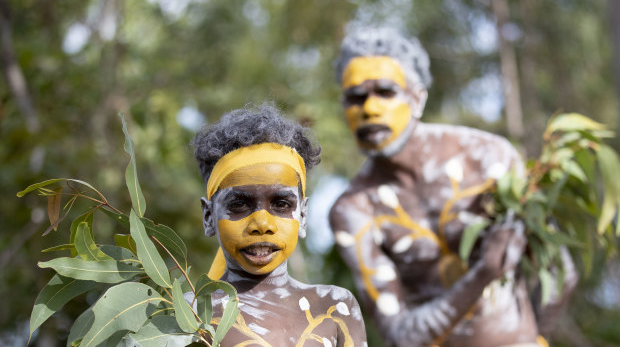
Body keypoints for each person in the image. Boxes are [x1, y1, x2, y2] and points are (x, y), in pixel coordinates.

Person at [329, 27, 575, 347]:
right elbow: (399, 335)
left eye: (386, 92)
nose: (369, 109)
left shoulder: (487, 158)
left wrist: (531, 336)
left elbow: (559, 272)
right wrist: (483, 274)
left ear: (417, 98)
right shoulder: (354, 209)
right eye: (355, 97)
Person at [191, 103, 368, 346]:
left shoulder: (333, 308)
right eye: (240, 204)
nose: (262, 224)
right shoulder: (186, 316)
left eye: (281, 204)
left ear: (303, 215)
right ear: (209, 216)